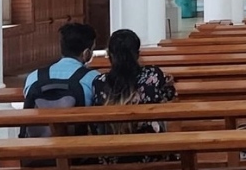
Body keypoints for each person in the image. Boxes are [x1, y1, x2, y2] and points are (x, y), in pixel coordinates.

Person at [90, 29, 177, 161]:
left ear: (110, 55)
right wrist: (167, 83)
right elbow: (170, 95)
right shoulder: (153, 75)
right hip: (151, 152)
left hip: (112, 152)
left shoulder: (99, 82)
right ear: (137, 54)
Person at [19, 22, 99, 139]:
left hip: (38, 146)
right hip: (77, 145)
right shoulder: (93, 77)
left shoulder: (34, 77)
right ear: (87, 53)